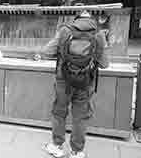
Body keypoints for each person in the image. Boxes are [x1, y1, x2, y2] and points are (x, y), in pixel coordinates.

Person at [37, 10, 109, 158]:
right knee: (80, 116)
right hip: (85, 81)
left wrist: (62, 53)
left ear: (76, 19)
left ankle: (57, 146)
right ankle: (77, 151)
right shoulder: (99, 34)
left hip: (64, 80)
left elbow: (46, 52)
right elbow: (104, 64)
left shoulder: (65, 30)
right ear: (91, 19)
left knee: (59, 112)